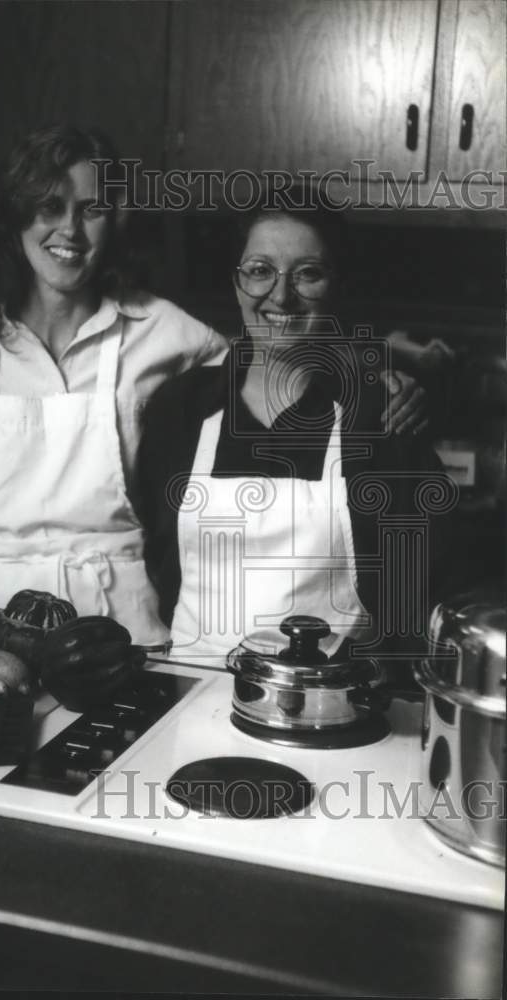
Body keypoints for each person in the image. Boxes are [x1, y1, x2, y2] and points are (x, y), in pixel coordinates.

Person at [0, 127, 427, 656]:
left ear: (117, 219)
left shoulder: (169, 333)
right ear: (15, 216)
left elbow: (273, 347)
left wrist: (368, 377)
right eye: (48, 206)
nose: (68, 230)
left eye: (91, 208)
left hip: (122, 639)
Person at [136, 195, 456, 665]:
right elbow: (158, 556)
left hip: (330, 706)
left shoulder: (380, 417)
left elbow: (423, 587)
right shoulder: (181, 409)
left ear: (334, 286)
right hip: (190, 688)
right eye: (260, 269)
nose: (281, 296)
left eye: (308, 273)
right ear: (236, 281)